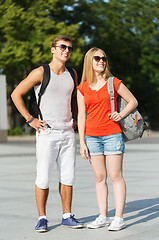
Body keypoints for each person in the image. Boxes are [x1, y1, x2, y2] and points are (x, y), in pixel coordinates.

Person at [11, 35, 84, 232]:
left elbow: (74, 98)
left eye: (69, 48)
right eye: (62, 47)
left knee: (68, 177)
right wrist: (30, 119)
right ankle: (42, 218)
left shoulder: (72, 73)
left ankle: (67, 216)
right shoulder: (40, 72)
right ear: (53, 49)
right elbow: (16, 94)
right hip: (47, 133)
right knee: (43, 177)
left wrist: (76, 118)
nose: (66, 51)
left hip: (68, 132)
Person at [77, 47, 138, 231]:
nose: (101, 61)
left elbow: (133, 101)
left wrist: (121, 114)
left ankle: (118, 218)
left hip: (112, 135)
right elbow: (81, 115)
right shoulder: (82, 87)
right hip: (92, 137)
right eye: (97, 58)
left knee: (116, 177)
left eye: (104, 58)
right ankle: (103, 216)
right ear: (89, 60)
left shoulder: (113, 82)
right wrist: (81, 142)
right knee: (99, 178)